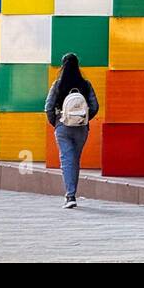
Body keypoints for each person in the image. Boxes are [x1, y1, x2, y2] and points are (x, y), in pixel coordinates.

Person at [44, 52, 100, 208]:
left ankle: (70, 196)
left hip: (63, 127)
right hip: (81, 128)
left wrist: (56, 123)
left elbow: (48, 107)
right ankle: (71, 194)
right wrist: (85, 119)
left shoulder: (58, 85)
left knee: (68, 160)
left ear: (63, 66)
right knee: (74, 160)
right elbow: (95, 106)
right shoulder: (85, 84)